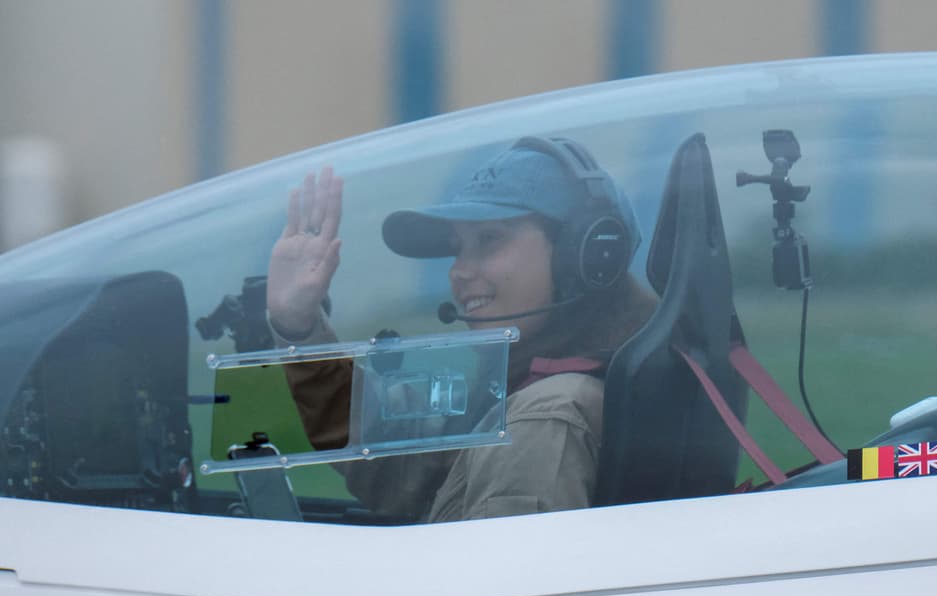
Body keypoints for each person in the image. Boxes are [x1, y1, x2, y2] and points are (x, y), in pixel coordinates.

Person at [265, 138, 655, 523]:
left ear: (581, 254)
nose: (458, 271)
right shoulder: (526, 383)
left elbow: (501, 580)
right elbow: (399, 470)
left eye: (489, 240)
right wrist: (298, 326)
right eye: (458, 248)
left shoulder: (545, 415)